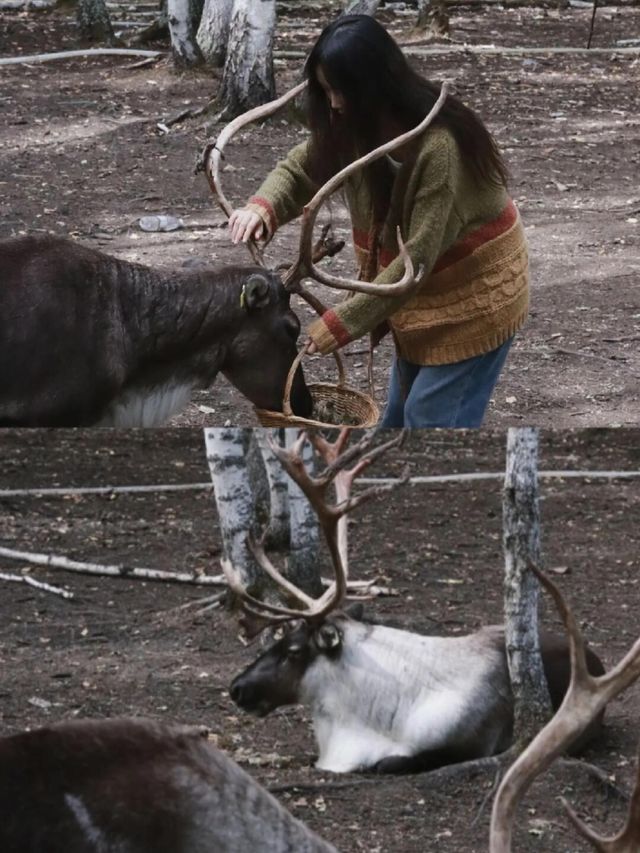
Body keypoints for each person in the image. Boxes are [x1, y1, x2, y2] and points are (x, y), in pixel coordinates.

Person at [228, 14, 529, 428]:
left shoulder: (440, 151)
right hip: (417, 306)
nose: (333, 102)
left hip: (472, 303)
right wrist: (264, 206)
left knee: (430, 420)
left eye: (341, 90)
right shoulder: (357, 124)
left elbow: (415, 262)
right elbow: (301, 168)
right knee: (395, 421)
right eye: (326, 90)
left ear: (375, 85)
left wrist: (338, 323)